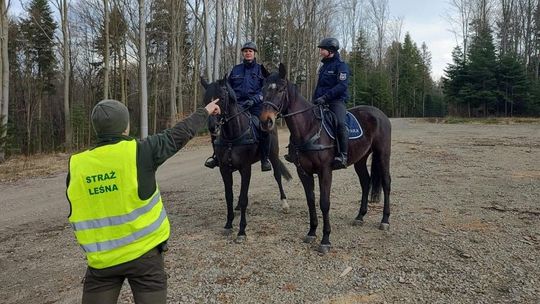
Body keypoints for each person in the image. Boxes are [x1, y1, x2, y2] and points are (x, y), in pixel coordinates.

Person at [66, 98, 220, 304]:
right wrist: (205, 111)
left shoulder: (77, 165)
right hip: (145, 258)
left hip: (101, 263)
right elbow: (178, 134)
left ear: (97, 129)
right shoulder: (141, 151)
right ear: (125, 126)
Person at [204, 41, 271, 171]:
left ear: (254, 53)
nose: (248, 53)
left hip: (255, 106)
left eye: (250, 51)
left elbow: (265, 90)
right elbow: (227, 88)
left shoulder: (260, 70)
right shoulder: (236, 69)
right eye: (245, 51)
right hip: (237, 106)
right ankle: (216, 156)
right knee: (216, 124)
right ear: (243, 53)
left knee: (263, 128)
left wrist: (255, 99)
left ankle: (264, 158)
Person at [285, 37, 350, 169]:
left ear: (330, 50)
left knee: (340, 123)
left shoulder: (341, 66)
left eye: (322, 49)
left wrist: (326, 97)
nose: (320, 51)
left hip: (336, 101)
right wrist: (314, 100)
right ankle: (293, 151)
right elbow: (319, 86)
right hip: (320, 101)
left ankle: (343, 154)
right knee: (301, 122)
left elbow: (342, 86)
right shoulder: (323, 66)